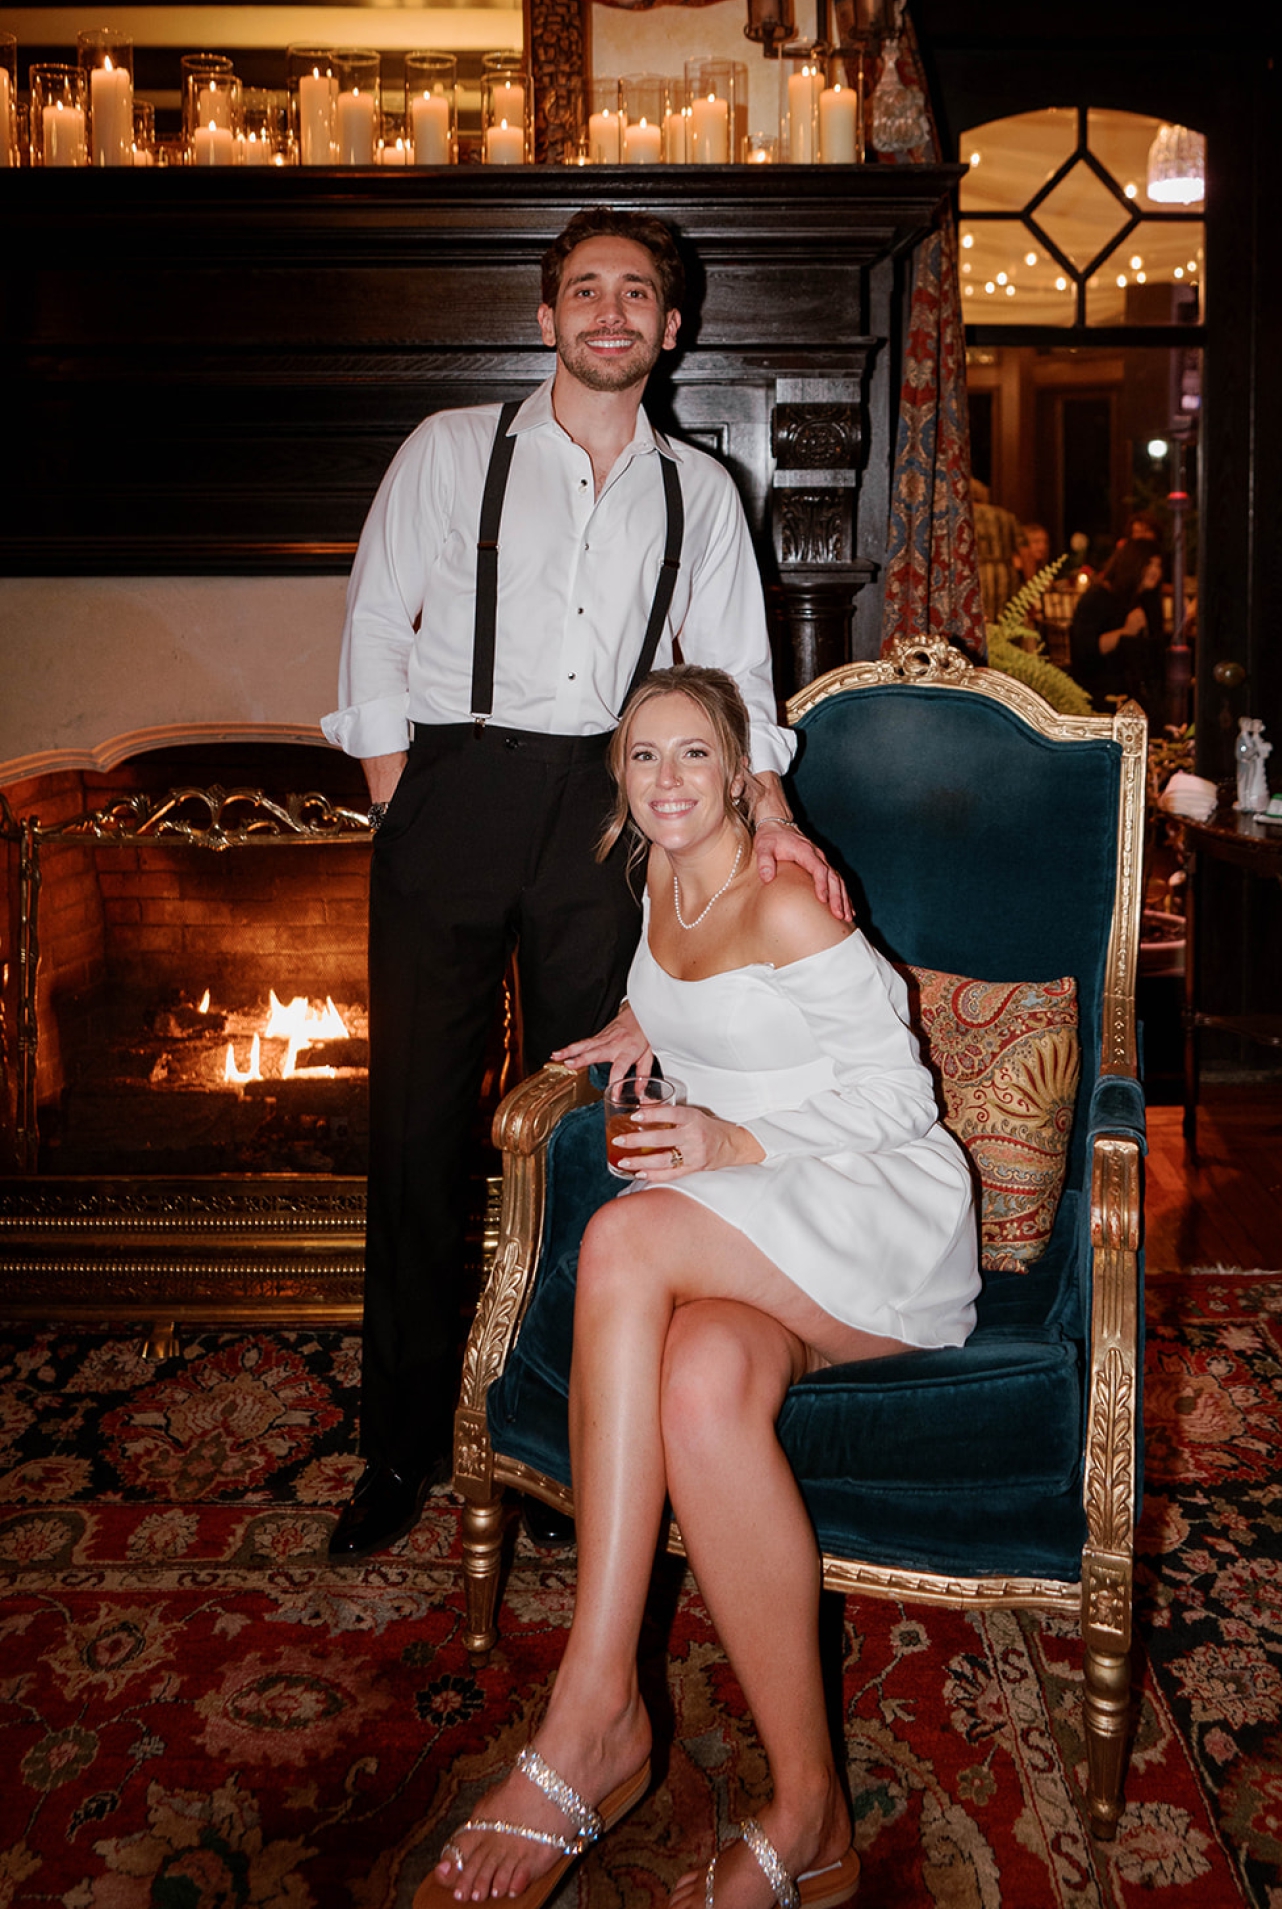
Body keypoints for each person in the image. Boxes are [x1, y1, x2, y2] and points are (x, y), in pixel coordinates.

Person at [320, 211, 849, 1560]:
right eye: (585, 289)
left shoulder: (703, 490)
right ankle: (399, 1445)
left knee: (595, 1136)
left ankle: (563, 1433)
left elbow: (736, 677)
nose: (610, 310)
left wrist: (770, 817)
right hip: (452, 789)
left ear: (672, 330)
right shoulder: (451, 451)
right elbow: (378, 619)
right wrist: (402, 794)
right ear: (549, 318)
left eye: (638, 293)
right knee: (418, 1135)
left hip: (611, 816)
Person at [416, 666, 979, 1909]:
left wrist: (727, 1142)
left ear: (741, 774)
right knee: (698, 1379)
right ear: (620, 787)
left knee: (624, 1244)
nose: (666, 780)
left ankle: (594, 1703)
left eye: (690, 757)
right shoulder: (659, 880)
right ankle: (809, 1814)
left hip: (872, 1205)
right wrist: (638, 1023)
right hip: (773, 1216)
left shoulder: (783, 899)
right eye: (640, 759)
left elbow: (901, 1105)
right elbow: (690, 995)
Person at [1069, 536, 1164, 714]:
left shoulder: (1147, 601)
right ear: (1133, 564)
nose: (1155, 571)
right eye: (1149, 564)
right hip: (1100, 693)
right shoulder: (1098, 598)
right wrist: (1126, 631)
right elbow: (1085, 650)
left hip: (1136, 693)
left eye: (1159, 566)